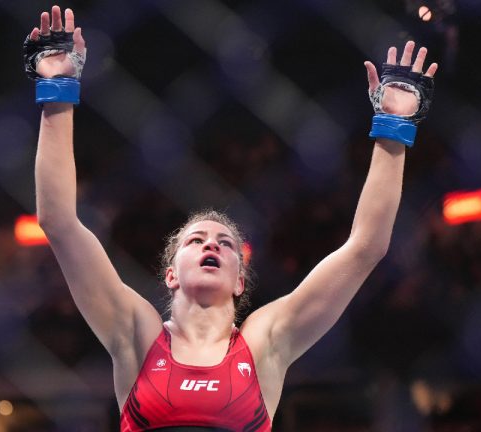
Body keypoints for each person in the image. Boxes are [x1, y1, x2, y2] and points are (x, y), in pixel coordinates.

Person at [23, 5, 438, 431]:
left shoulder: (265, 341)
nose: (211, 245)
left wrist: (393, 127)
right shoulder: (138, 333)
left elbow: (366, 247)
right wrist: (57, 92)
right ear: (170, 274)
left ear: (240, 280)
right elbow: (58, 221)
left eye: (225, 244)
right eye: (195, 240)